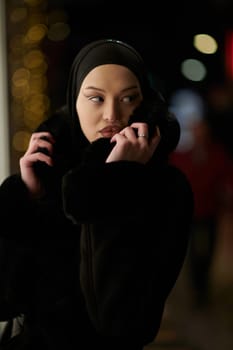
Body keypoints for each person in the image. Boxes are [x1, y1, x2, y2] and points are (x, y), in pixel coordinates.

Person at [0, 38, 194, 350]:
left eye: (129, 98)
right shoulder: (46, 177)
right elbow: (5, 303)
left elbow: (122, 323)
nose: (111, 114)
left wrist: (113, 184)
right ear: (73, 103)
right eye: (95, 99)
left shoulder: (165, 189)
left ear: (145, 107)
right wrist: (26, 200)